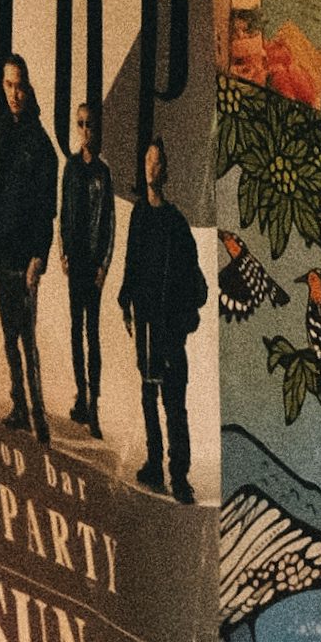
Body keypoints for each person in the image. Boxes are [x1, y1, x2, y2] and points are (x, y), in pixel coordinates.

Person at [120, 132, 206, 500]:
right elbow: (131, 262)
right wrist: (125, 302)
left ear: (165, 171)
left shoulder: (176, 223)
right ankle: (154, 464)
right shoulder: (139, 214)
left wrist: (182, 323)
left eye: (157, 162)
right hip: (146, 324)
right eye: (147, 161)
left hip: (169, 329)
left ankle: (179, 477)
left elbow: (194, 282)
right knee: (147, 394)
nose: (151, 168)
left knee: (174, 403)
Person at [0, 52, 58, 442]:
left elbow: (47, 210)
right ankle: (19, 407)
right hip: (2, 253)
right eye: (8, 85)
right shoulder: (2, 132)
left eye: (19, 86)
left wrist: (39, 258)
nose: (14, 93)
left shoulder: (41, 145)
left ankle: (39, 418)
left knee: (28, 340)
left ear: (29, 88)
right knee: (10, 336)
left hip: (25, 259)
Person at [58, 103, 116, 431]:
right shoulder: (70, 167)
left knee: (91, 333)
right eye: (80, 124)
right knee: (75, 330)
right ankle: (81, 396)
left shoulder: (103, 173)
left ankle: (94, 404)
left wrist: (104, 265)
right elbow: (64, 211)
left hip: (93, 265)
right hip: (75, 260)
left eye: (89, 124)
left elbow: (109, 222)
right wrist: (62, 251)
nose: (84, 130)